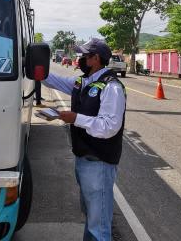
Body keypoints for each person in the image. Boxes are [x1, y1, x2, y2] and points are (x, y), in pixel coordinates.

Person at [41, 38, 127, 241]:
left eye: (83, 55)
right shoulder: (83, 81)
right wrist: (34, 66)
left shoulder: (111, 87)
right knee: (90, 216)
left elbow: (109, 127)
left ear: (95, 58)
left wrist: (75, 118)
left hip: (99, 164)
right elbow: (52, 80)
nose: (79, 59)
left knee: (99, 225)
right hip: (83, 159)